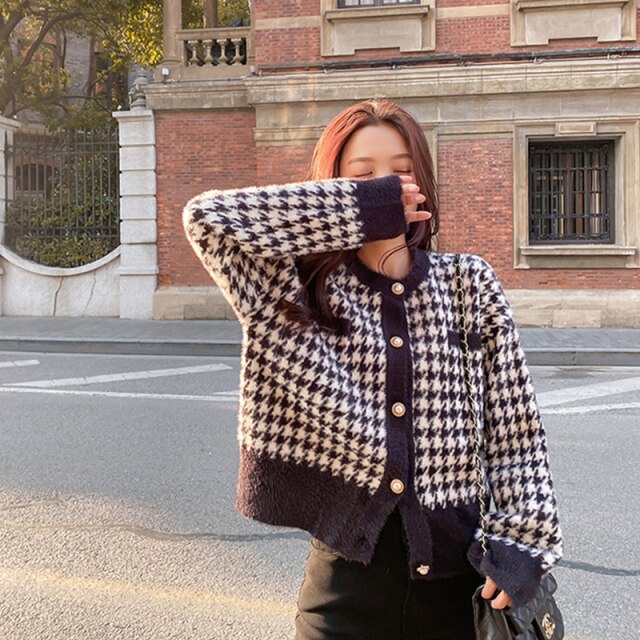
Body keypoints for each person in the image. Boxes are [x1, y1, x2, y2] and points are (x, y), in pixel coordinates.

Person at [182, 98, 563, 639]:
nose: (389, 187)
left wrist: (525, 543)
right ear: (334, 190)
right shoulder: (294, 291)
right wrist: (364, 208)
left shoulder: (468, 284)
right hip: (343, 600)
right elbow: (207, 220)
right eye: (363, 177)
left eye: (402, 172)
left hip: (462, 597)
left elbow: (516, 432)